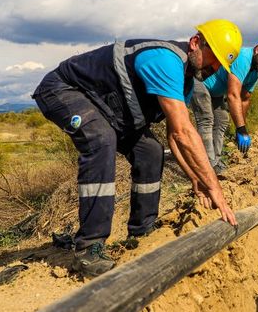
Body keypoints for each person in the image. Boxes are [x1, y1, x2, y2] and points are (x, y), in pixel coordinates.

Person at [32, 19, 241, 277]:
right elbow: (184, 132)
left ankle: (142, 231)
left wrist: (196, 179)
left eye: (221, 64)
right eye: (214, 58)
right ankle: (89, 247)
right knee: (101, 140)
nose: (215, 67)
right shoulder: (165, 60)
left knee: (150, 151)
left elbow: (173, 137)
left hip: (106, 108)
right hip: (63, 90)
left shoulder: (185, 81)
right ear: (196, 43)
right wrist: (215, 188)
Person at [190, 34, 258, 173]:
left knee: (222, 120)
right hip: (200, 83)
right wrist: (241, 129)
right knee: (206, 119)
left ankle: (215, 161)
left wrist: (241, 127)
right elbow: (233, 95)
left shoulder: (254, 74)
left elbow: (244, 99)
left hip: (215, 92)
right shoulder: (243, 58)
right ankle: (206, 167)